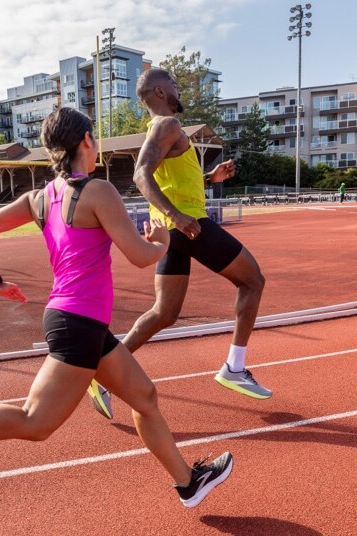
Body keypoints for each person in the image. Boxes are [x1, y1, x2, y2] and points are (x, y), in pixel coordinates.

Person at [0, 108, 233, 507]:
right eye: (95, 139)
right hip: (78, 322)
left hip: (80, 321)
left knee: (144, 397)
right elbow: (140, 256)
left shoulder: (40, 198)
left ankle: (188, 482)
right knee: (35, 422)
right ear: (86, 141)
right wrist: (161, 242)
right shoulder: (99, 191)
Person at [88, 68, 269, 419]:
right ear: (159, 91)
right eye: (173, 84)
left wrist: (209, 178)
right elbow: (141, 174)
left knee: (164, 313)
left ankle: (103, 375)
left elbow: (172, 179)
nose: (178, 89)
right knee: (252, 281)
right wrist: (177, 214)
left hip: (172, 229)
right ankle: (234, 367)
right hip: (188, 225)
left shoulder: (161, 130)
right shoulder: (167, 125)